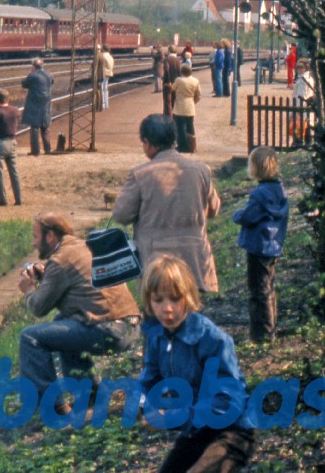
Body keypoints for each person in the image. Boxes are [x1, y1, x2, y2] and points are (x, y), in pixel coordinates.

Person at [138, 254, 257, 471]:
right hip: (195, 430)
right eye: (158, 300)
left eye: (175, 298)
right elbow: (149, 380)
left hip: (230, 431)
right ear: (148, 301)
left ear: (189, 296)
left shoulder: (212, 340)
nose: (167, 309)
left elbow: (225, 403)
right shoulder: (156, 337)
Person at [17, 213, 141, 413]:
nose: (33, 243)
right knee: (62, 323)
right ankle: (91, 396)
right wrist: (46, 276)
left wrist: (29, 290)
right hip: (130, 326)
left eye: (35, 236)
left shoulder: (59, 261)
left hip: (109, 331)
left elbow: (39, 308)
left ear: (50, 237)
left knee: (30, 337)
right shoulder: (84, 247)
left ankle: (50, 407)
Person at [112, 114, 222, 293]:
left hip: (156, 264)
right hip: (195, 262)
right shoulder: (202, 171)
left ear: (147, 143)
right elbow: (214, 209)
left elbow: (121, 215)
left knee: (158, 315)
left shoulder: (140, 174)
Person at [233, 147, 289, 342]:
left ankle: (262, 334)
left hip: (258, 246)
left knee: (258, 290)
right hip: (273, 244)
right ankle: (271, 326)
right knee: (269, 287)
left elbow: (248, 216)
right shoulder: (279, 190)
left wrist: (236, 215)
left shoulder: (259, 194)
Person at [0, 89, 22, 206]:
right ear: (8, 98)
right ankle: (18, 198)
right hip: (12, 142)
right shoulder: (15, 110)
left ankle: (3, 199)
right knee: (14, 171)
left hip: (0, 143)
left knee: (0, 172)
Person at [20, 58, 54, 156]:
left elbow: (24, 84)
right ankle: (47, 149)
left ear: (33, 66)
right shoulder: (48, 75)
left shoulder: (32, 75)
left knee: (34, 127)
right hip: (46, 102)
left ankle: (35, 151)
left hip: (34, 102)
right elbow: (52, 82)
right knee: (45, 126)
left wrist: (30, 73)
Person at [171, 62, 201, 153]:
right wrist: (193, 102)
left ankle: (182, 146)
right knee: (190, 126)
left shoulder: (179, 80)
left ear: (182, 71)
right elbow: (199, 95)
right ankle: (192, 146)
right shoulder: (195, 81)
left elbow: (172, 89)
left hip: (180, 106)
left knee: (180, 127)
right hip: (190, 106)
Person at [161, 43, 180, 117]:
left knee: (167, 102)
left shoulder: (167, 59)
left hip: (167, 83)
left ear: (169, 50)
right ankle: (175, 116)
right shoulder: (178, 60)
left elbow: (167, 70)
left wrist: (168, 81)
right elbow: (179, 72)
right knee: (174, 100)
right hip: (176, 83)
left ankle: (167, 117)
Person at [95, 44, 114, 110]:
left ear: (103, 49)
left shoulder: (103, 56)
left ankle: (102, 104)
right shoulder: (111, 57)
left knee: (102, 89)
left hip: (103, 74)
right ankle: (106, 104)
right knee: (105, 89)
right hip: (109, 73)